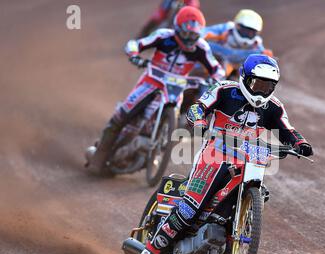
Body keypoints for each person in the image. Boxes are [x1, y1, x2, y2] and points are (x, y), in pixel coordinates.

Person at [139, 54, 313, 254]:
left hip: (249, 156)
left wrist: (300, 144)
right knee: (191, 207)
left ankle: (231, 234)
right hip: (215, 151)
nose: (261, 91)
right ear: (245, 78)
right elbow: (198, 107)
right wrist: (200, 121)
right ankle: (152, 249)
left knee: (261, 193)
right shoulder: (224, 89)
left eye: (267, 86)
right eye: (257, 84)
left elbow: (288, 129)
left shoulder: (274, 107)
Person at [86, 6, 224, 175]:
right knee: (122, 114)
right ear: (177, 29)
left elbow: (217, 70)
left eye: (194, 35)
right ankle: (99, 157)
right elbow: (135, 44)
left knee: (182, 116)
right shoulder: (163, 36)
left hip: (176, 88)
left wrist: (214, 80)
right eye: (187, 34)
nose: (190, 39)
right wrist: (135, 55)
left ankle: (157, 145)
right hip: (151, 81)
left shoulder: (202, 48)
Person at [201, 9, 273, 78]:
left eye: (251, 33)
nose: (247, 35)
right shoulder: (225, 29)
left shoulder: (256, 44)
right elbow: (201, 32)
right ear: (237, 26)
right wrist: (215, 36)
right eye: (245, 31)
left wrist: (266, 59)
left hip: (236, 72)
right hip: (213, 65)